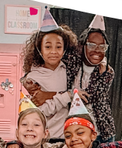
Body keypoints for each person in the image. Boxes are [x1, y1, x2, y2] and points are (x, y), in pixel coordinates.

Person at [20, 9, 79, 138]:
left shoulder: (68, 70)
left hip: (66, 135)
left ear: (64, 49)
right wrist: (66, 96)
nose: (53, 51)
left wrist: (56, 95)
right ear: (39, 49)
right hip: (45, 137)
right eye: (47, 46)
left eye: (58, 46)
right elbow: (39, 113)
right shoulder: (33, 79)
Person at [68, 15, 116, 142]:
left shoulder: (107, 72)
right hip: (74, 130)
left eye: (102, 47)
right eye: (91, 45)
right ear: (83, 45)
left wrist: (102, 75)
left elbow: (92, 97)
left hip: (101, 132)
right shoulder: (71, 65)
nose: (97, 50)